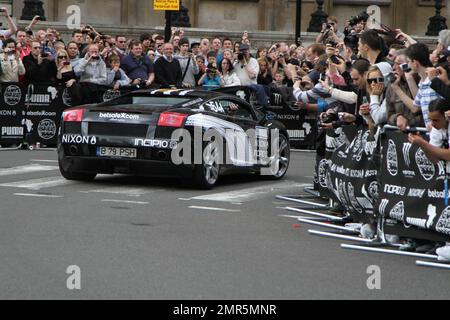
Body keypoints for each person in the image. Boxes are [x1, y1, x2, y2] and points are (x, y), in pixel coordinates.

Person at [406, 43, 441, 130]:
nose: (407, 65)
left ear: (415, 63)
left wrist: (434, 124)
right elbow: (415, 106)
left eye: (408, 61)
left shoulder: (435, 80)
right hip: (432, 135)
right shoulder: (422, 83)